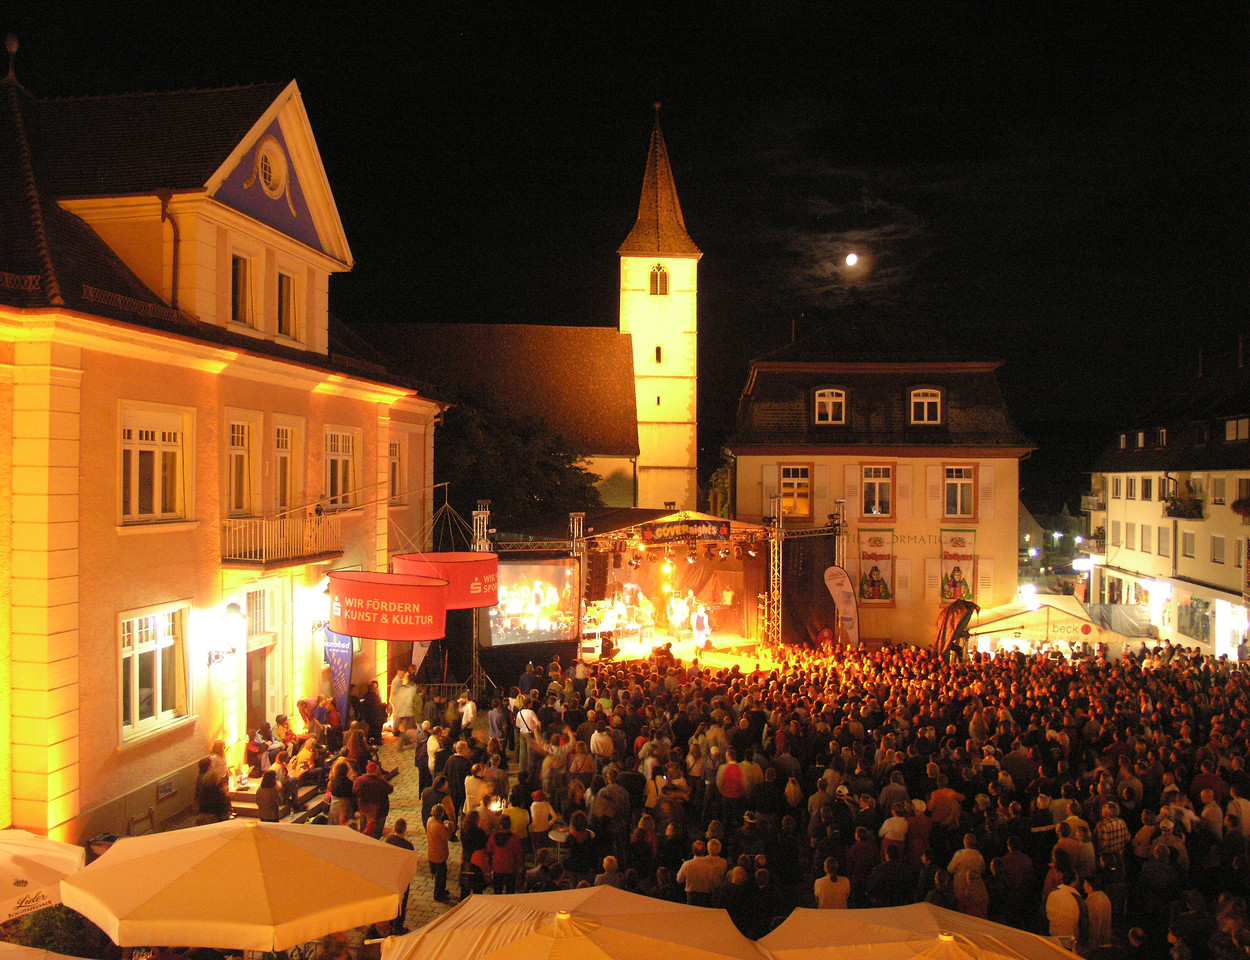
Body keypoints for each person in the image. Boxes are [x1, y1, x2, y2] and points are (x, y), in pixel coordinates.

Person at [385, 819, 415, 933]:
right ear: (405, 829)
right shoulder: (408, 845)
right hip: (402, 878)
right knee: (402, 902)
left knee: (391, 900)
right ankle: (398, 926)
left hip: (391, 875)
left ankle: (390, 922)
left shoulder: (389, 839)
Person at [426, 807, 453, 901]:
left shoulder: (430, 820)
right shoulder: (438, 826)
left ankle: (441, 891)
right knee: (441, 876)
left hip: (432, 852)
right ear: (441, 814)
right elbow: (447, 837)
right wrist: (450, 828)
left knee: (439, 874)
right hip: (439, 855)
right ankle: (438, 894)